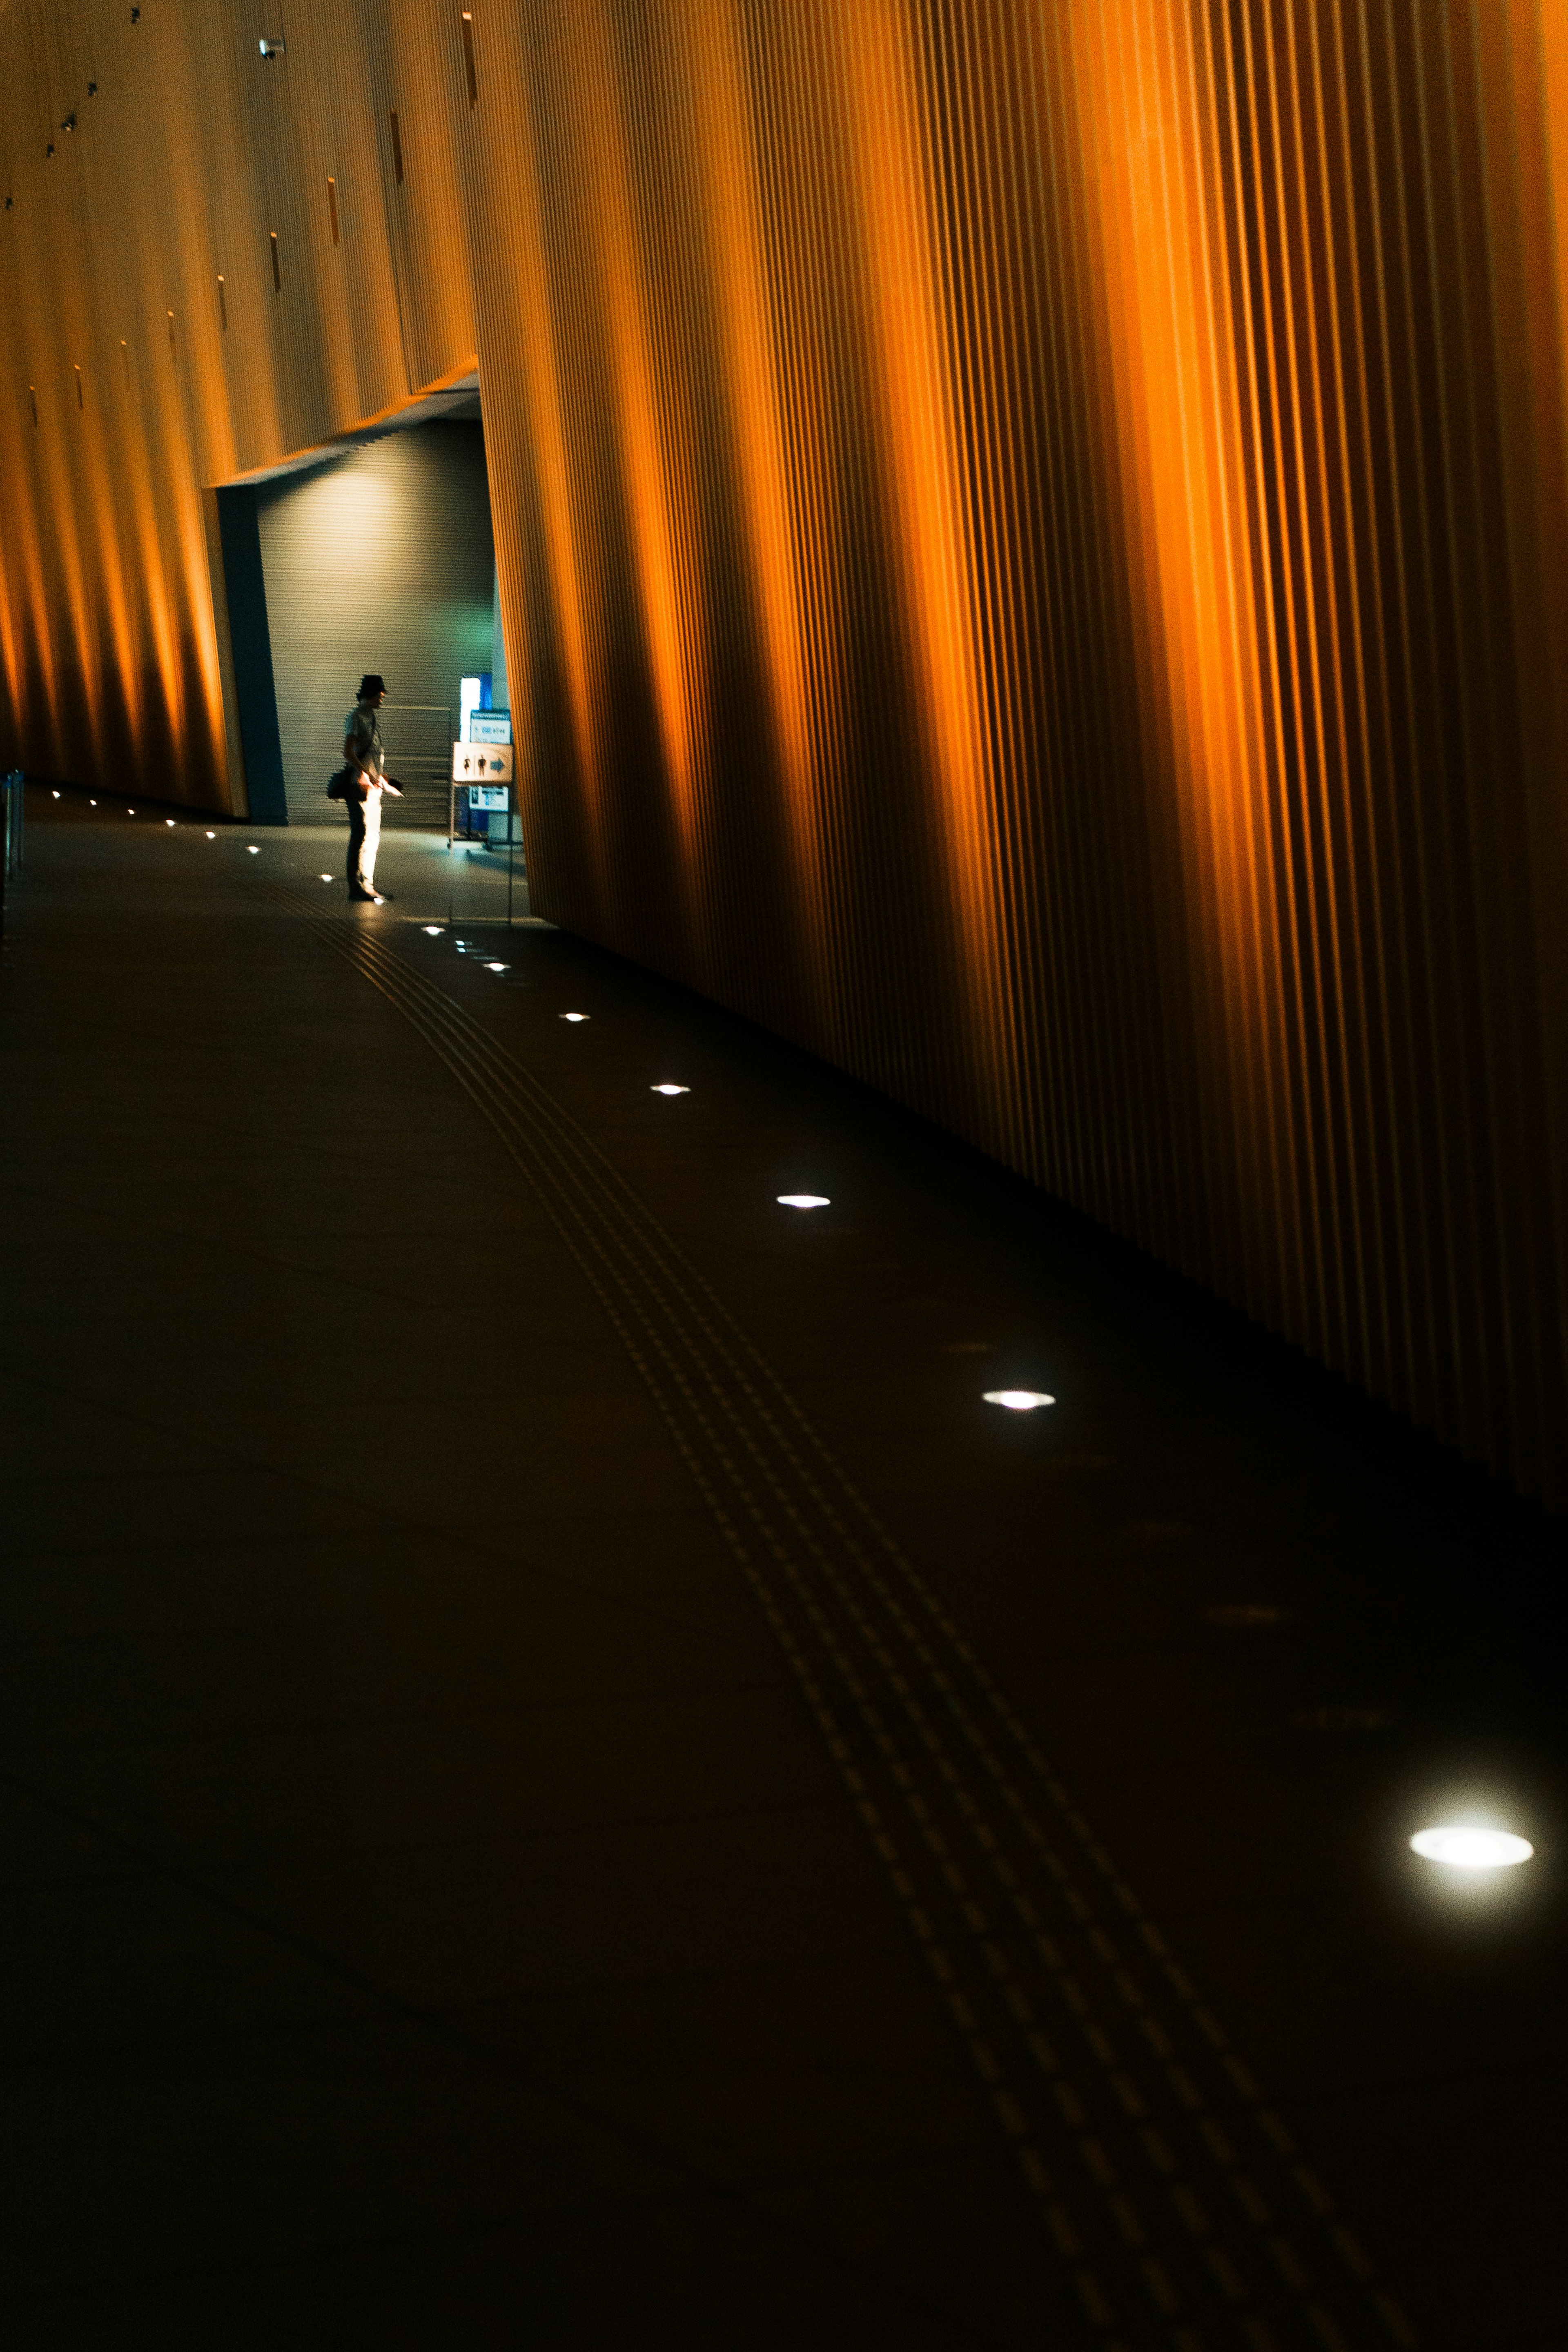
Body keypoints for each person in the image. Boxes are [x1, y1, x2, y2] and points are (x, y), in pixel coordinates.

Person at [342, 674, 402, 902]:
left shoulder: (373, 718)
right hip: (359, 786)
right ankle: (355, 886)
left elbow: (373, 754)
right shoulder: (355, 717)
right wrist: (365, 773)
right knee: (360, 834)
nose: (382, 698)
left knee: (373, 836)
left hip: (374, 786)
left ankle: (368, 885)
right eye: (379, 695)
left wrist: (383, 778)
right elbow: (349, 752)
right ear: (369, 695)